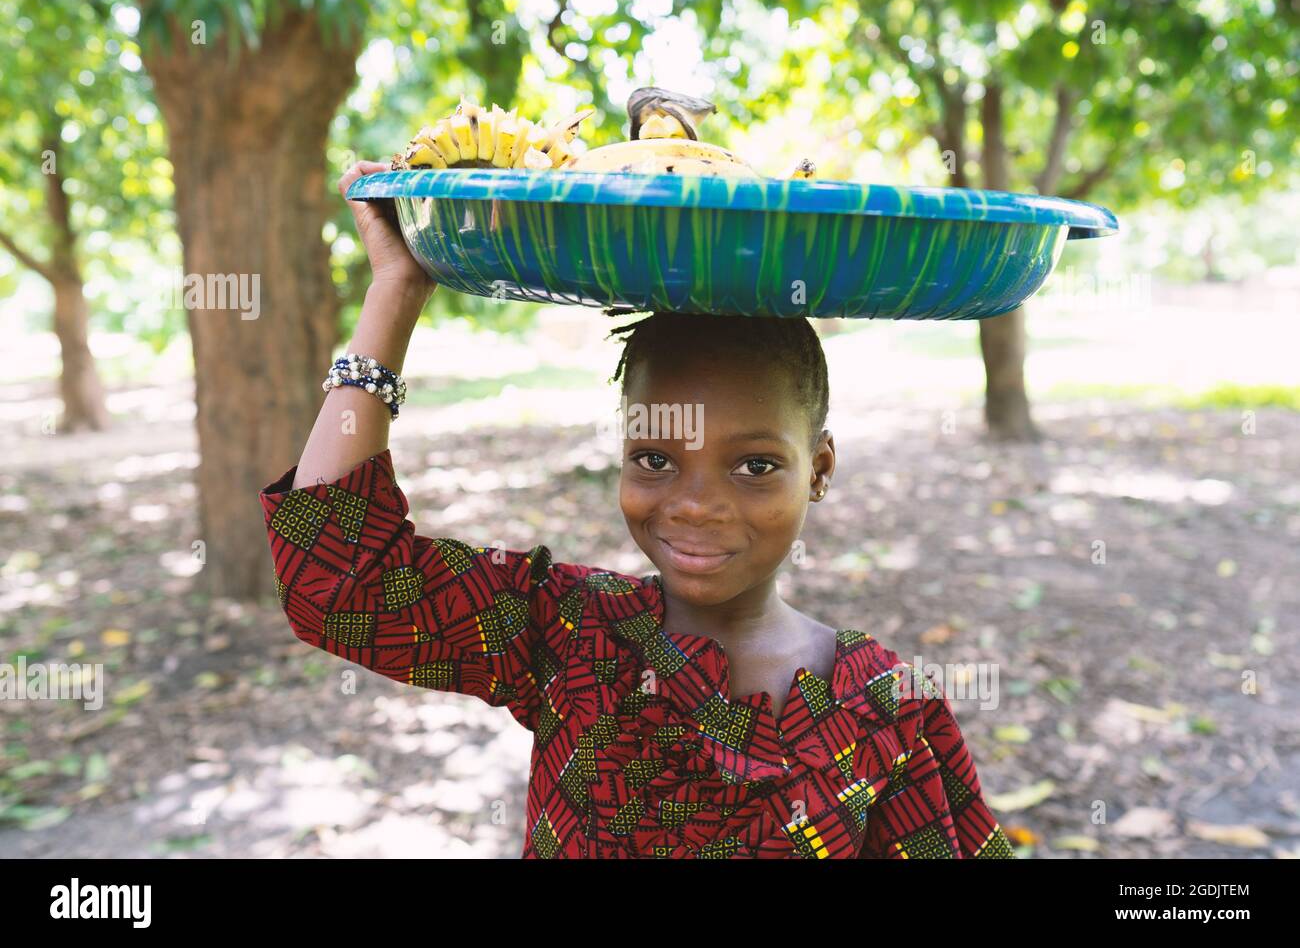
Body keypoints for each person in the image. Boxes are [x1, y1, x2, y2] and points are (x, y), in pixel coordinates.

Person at [257, 159, 1018, 859]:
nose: (695, 506)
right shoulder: (568, 636)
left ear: (818, 469)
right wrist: (395, 289)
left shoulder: (887, 711)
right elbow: (340, 582)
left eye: (755, 465)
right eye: (656, 459)